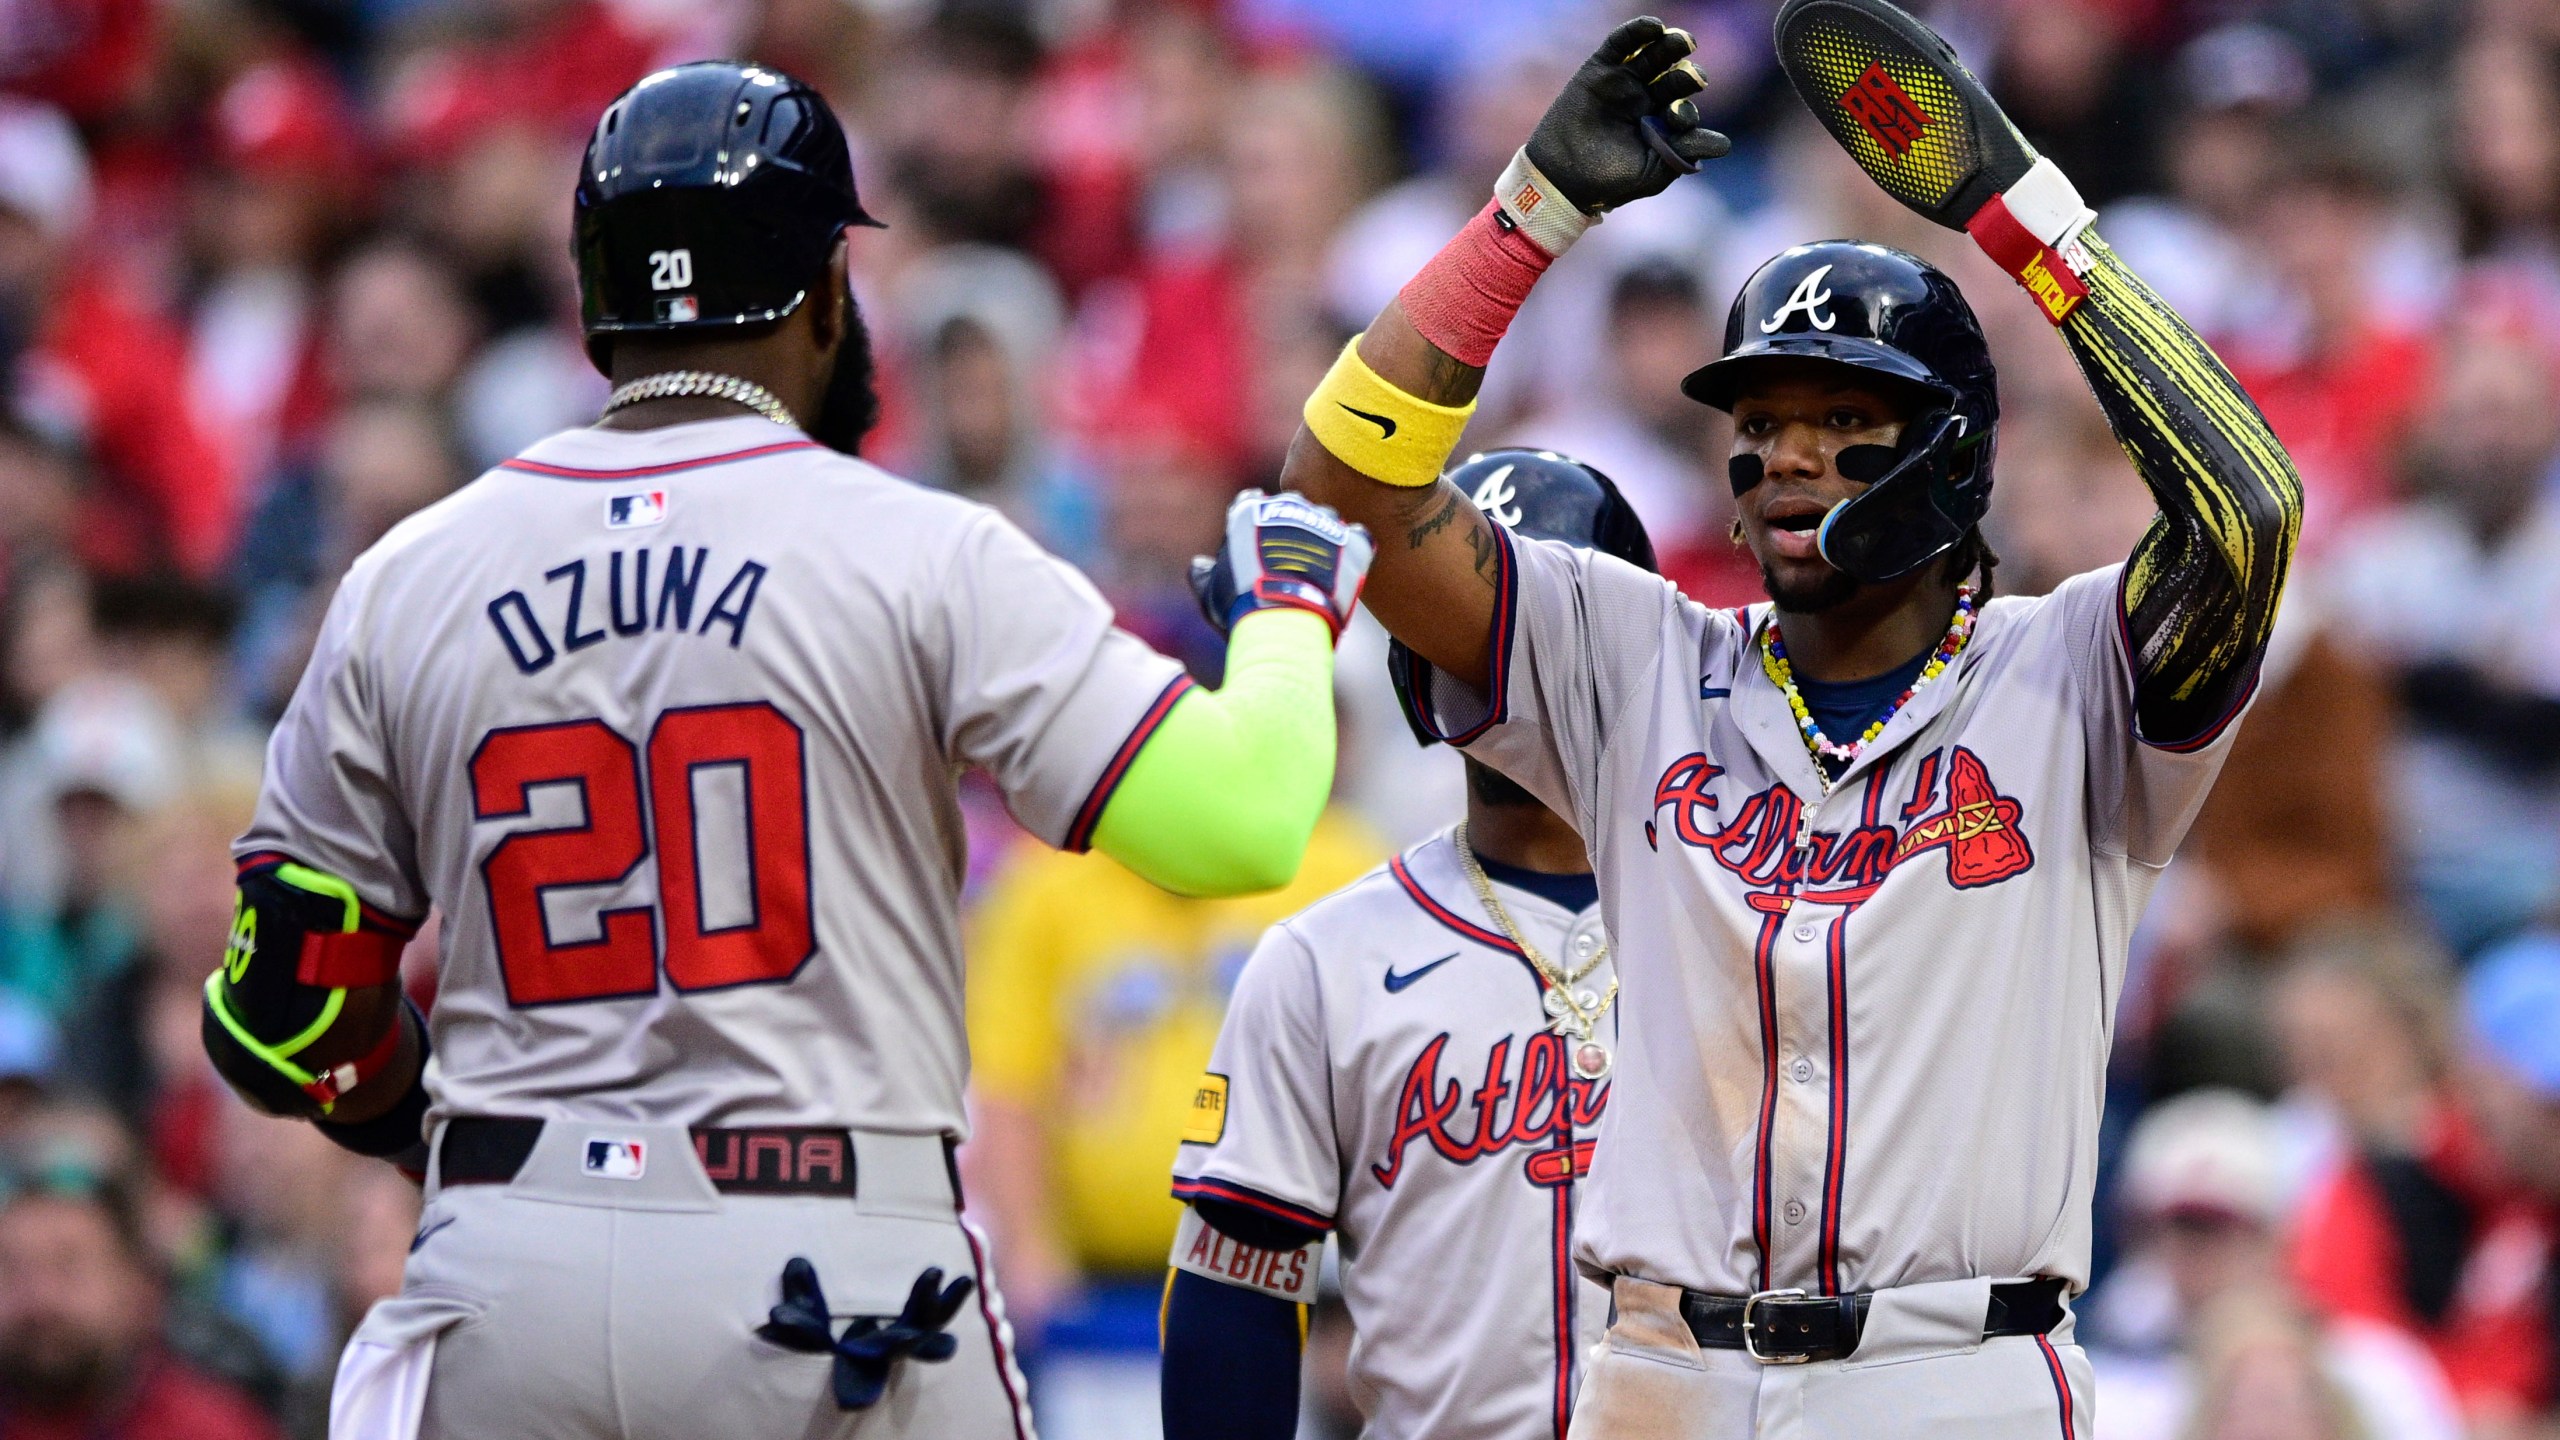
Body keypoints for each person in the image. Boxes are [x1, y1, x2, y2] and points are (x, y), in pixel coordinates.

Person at [196, 61, 1373, 1440]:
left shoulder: (410, 574)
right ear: (827, 294)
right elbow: (1238, 823)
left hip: (506, 1268)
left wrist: (435, 1139)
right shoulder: (917, 549)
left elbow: (287, 1009)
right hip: (826, 1267)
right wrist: (1289, 615)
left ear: (592, 304)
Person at [1271, 4, 2299, 1435]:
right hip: (1664, 1378)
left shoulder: (2071, 676)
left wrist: (2026, 219)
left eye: (1842, 417)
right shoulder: (1635, 665)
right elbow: (1335, 501)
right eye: (1758, 420)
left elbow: (2250, 510)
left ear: (1952, 454)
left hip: (1956, 1371)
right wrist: (1529, 217)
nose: (1783, 456)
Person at [1159, 450, 1651, 1440]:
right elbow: (1235, 1309)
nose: (1507, 671)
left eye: (1547, 630)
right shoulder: (1321, 962)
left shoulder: (1758, 927)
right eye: (1466, 629)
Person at [2083, 1089, 2461, 1440]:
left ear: (2276, 1236)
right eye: (2177, 1229)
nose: (2196, 1253)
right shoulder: (2108, 1384)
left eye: (2219, 1230)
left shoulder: (2377, 1370)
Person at [0, 1124, 283, 1440]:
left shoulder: (209, 1429)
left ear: (138, 1286)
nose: (39, 1297)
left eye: (69, 1266)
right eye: (12, 1269)